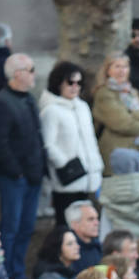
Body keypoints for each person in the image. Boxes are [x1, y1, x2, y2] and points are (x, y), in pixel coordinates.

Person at [0, 53, 45, 279]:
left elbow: (35, 136)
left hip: (32, 174)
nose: (34, 75)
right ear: (17, 74)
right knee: (10, 229)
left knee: (26, 227)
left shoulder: (28, 99)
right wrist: (16, 171)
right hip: (15, 177)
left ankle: (18, 273)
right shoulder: (2, 102)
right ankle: (6, 274)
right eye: (30, 70)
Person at [39, 60, 103, 224]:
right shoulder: (51, 110)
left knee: (87, 223)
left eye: (79, 83)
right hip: (68, 179)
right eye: (70, 82)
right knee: (66, 224)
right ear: (59, 83)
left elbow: (90, 139)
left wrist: (96, 163)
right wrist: (64, 164)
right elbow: (48, 144)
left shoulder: (82, 107)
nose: (75, 87)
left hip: (89, 176)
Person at [92, 52, 139, 169]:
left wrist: (133, 113)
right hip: (117, 153)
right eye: (117, 66)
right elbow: (123, 123)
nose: (122, 71)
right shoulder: (104, 94)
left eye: (125, 67)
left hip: (138, 150)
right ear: (108, 70)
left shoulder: (131, 91)